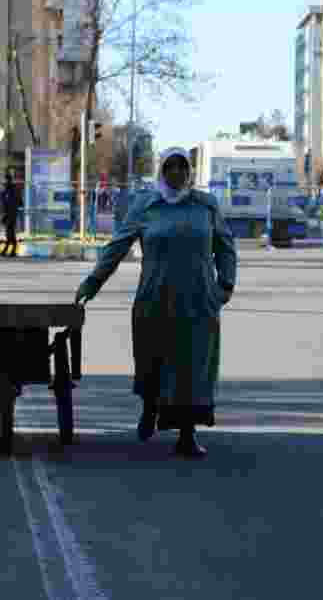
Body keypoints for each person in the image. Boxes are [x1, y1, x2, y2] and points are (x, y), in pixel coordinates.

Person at [76, 147, 238, 458]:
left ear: (189, 172)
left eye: (182, 168)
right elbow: (117, 247)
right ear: (161, 172)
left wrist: (225, 284)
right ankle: (150, 407)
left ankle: (187, 435)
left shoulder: (205, 206)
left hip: (198, 302)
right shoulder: (146, 206)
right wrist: (92, 282)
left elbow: (225, 247)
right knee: (153, 362)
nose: (177, 174)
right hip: (155, 300)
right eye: (170, 168)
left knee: (193, 369)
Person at [1, 170, 20, 257]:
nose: (4, 182)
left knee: (10, 233)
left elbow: (17, 202)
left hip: (11, 214)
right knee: (9, 233)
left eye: (6, 180)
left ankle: (11, 250)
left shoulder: (12, 190)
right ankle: (8, 250)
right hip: (8, 214)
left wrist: (8, 213)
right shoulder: (6, 190)